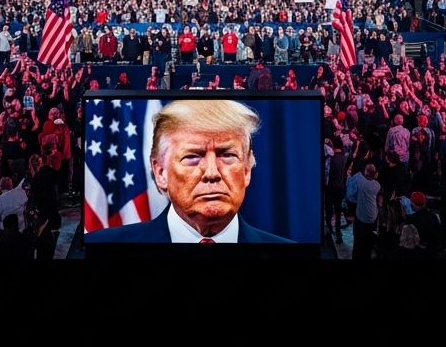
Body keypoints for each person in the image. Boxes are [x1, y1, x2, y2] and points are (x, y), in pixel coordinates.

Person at [86, 99, 292, 244]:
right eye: (192, 157)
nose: (212, 173)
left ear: (247, 169)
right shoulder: (98, 247)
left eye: (227, 155)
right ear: (160, 173)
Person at [352, 163, 381, 260]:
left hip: (361, 217)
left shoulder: (361, 181)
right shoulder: (377, 185)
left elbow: (357, 174)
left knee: (357, 241)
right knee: (368, 243)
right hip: (372, 217)